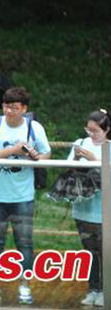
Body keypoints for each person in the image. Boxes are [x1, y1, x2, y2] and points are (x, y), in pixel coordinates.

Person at [0, 86, 50, 305]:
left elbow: (47, 153)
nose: (9, 111)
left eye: (14, 108)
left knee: (25, 242)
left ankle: (25, 284)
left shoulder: (34, 127)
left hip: (23, 196)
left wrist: (37, 157)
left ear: (24, 109)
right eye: (6, 106)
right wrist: (13, 151)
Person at [66, 109, 108, 307]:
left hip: (103, 208)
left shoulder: (109, 147)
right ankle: (93, 288)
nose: (91, 134)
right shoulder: (80, 143)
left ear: (106, 130)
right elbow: (66, 168)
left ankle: (105, 290)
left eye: (95, 131)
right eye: (88, 130)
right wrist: (75, 158)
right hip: (82, 206)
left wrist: (93, 159)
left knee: (104, 250)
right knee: (89, 250)